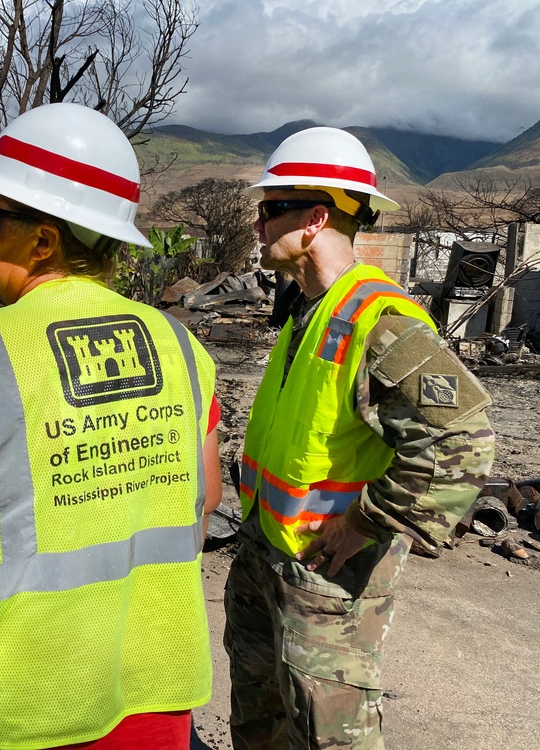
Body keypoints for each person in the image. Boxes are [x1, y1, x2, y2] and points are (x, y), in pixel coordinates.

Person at [0, 102, 224, 750]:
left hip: (8, 715)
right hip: (154, 702)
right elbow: (201, 506)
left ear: (43, 240)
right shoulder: (182, 349)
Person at [224, 126, 495, 749]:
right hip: (270, 557)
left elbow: (465, 441)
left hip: (328, 580)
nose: (259, 224)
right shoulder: (311, 308)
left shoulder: (379, 319)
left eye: (271, 210)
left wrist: (366, 523)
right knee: (264, 723)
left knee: (327, 735)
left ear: (317, 218)